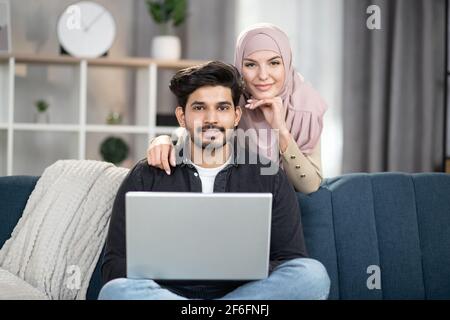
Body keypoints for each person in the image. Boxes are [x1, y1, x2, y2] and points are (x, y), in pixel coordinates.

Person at [99, 61, 330, 300]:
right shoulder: (146, 174)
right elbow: (113, 265)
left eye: (222, 108)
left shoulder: (268, 176)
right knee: (115, 292)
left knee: (312, 276)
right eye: (199, 108)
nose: (211, 118)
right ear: (182, 116)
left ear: (236, 115)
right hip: (168, 294)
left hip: (246, 294)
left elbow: (290, 259)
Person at [147, 23, 327, 194]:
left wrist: (281, 130)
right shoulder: (231, 99)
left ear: (287, 64)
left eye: (274, 63)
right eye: (250, 64)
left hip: (285, 208)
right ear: (239, 65)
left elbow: (310, 186)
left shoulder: (305, 109)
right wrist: (164, 140)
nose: (263, 75)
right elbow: (200, 131)